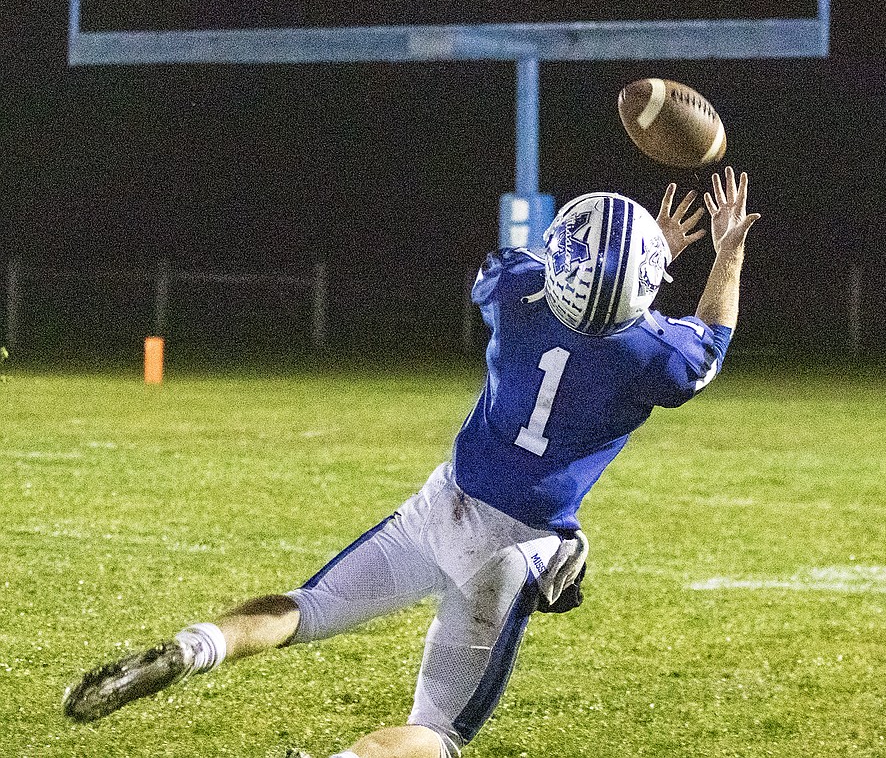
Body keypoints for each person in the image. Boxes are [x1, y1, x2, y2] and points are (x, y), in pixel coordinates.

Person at [63, 167, 761, 758]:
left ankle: (197, 645)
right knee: (437, 733)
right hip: (512, 548)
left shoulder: (515, 293)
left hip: (441, 506)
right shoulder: (653, 356)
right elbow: (708, 338)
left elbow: (539, 277)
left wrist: (634, 252)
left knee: (306, 606)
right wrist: (722, 249)